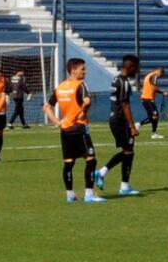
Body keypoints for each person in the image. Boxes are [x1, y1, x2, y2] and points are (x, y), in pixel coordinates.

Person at [44, 58, 103, 203]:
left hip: (65, 130)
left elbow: (47, 107)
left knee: (68, 163)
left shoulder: (60, 87)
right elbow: (87, 102)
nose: (85, 71)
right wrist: (83, 112)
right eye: (82, 69)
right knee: (91, 161)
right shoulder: (80, 85)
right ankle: (89, 194)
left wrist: (58, 122)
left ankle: (70, 195)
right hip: (79, 128)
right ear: (73, 70)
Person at [95, 55, 142, 196]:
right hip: (120, 120)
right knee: (128, 151)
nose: (138, 70)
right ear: (131, 66)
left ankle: (124, 185)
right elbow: (125, 105)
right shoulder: (123, 82)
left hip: (116, 119)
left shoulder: (116, 79)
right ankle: (102, 173)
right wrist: (132, 126)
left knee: (129, 151)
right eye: (137, 67)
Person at [139, 66, 167, 139]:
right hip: (148, 99)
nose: (160, 77)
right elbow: (153, 87)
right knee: (155, 116)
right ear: (159, 72)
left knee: (152, 117)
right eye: (161, 75)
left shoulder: (148, 75)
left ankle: (139, 125)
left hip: (144, 98)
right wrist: (162, 92)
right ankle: (153, 133)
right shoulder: (154, 76)